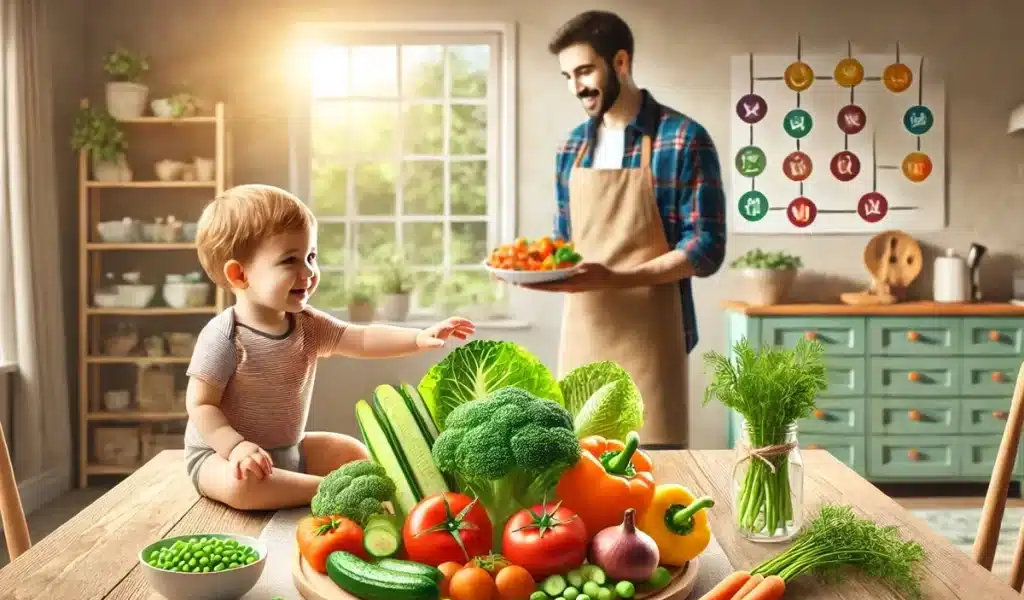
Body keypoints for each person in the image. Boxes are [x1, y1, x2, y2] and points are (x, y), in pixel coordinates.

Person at [185, 184, 476, 510]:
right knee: (243, 486)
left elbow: (360, 338)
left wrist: (418, 338)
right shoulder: (224, 336)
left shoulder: (307, 324)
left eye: (311, 256)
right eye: (290, 260)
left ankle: (305, 485)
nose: (308, 272)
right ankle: (326, 490)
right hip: (219, 457)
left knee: (351, 452)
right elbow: (200, 406)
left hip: (287, 452)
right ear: (240, 274)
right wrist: (236, 448)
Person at [526, 10, 727, 449]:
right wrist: (539, 276)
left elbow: (706, 247)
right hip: (584, 333)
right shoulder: (571, 148)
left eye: (584, 71)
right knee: (580, 475)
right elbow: (565, 247)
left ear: (620, 62)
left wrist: (619, 279)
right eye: (567, 75)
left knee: (654, 475)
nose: (576, 87)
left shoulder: (683, 139)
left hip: (651, 341)